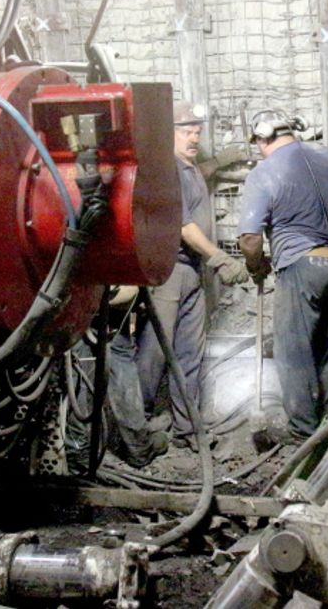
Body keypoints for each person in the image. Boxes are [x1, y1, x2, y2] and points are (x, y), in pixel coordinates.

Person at [238, 113, 328, 440]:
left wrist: (257, 266)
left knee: (293, 350)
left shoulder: (264, 172)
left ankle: (302, 433)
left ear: (262, 139)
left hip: (302, 265)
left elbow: (250, 239)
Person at [135, 100, 249, 447]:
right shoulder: (168, 170)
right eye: (186, 132)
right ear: (169, 134)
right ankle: (137, 426)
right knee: (156, 351)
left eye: (198, 132)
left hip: (192, 273)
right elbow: (183, 226)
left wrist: (224, 159)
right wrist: (221, 259)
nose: (194, 138)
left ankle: (188, 429)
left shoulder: (189, 168)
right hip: (169, 272)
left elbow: (203, 170)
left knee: (189, 353)